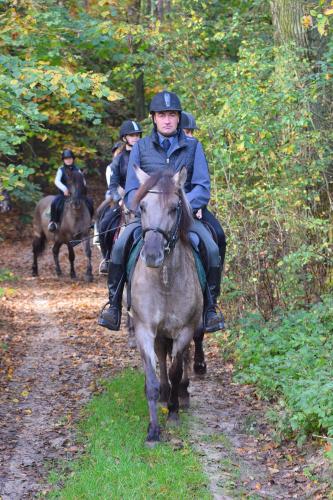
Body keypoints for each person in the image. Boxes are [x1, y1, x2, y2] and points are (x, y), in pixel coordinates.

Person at [98, 90, 225, 333]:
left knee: (213, 243)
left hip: (185, 215)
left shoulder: (193, 146)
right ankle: (113, 306)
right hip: (149, 218)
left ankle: (210, 308)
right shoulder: (142, 147)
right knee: (119, 245)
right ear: (154, 118)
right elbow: (133, 188)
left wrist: (184, 206)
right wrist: (145, 207)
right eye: (162, 115)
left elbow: (202, 185)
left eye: (172, 115)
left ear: (178, 118)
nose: (167, 119)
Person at [98, 121, 142, 274]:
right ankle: (108, 259)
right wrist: (120, 198)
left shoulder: (146, 155)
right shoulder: (119, 159)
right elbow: (113, 184)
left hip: (144, 200)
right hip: (124, 200)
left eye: (137, 135)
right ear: (125, 138)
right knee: (104, 224)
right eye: (132, 135)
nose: (136, 138)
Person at [48, 149, 93, 233]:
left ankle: (89, 223)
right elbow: (57, 181)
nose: (68, 160)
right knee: (55, 203)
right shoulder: (61, 170)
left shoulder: (78, 170)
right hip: (64, 194)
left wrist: (81, 190)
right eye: (66, 159)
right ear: (64, 160)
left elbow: (83, 181)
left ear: (73, 159)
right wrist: (64, 189)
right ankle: (53, 222)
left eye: (70, 158)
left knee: (89, 201)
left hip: (77, 194)